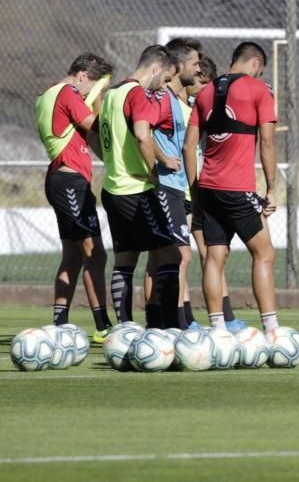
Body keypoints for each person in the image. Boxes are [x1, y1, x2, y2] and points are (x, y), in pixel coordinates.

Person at [183, 41, 281, 334]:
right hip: (238, 189)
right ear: (255, 64)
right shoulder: (259, 90)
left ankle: (218, 330)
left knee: (215, 256)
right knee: (264, 254)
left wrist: (196, 190)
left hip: (209, 187)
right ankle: (272, 330)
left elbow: (189, 146)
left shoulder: (206, 92)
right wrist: (271, 188)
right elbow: (266, 142)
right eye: (260, 71)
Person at [99, 45, 183, 328]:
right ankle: (169, 328)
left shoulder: (112, 94)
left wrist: (113, 163)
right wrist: (152, 174)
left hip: (113, 188)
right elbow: (142, 135)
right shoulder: (138, 94)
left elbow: (96, 137)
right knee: (171, 253)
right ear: (156, 67)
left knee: (125, 259)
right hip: (136, 189)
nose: (166, 84)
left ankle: (124, 329)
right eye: (167, 78)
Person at [35, 53, 115, 340]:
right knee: (95, 252)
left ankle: (60, 325)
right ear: (82, 75)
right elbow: (96, 124)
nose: (89, 94)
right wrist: (104, 104)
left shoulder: (49, 94)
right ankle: (103, 326)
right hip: (69, 181)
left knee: (73, 255)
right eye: (91, 85)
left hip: (65, 180)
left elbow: (86, 136)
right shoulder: (67, 92)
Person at [149, 38, 201, 330]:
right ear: (179, 65)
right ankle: (174, 325)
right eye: (194, 63)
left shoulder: (183, 101)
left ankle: (167, 323)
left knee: (169, 257)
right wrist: (161, 158)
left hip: (180, 188)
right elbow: (141, 129)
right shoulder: (163, 97)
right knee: (178, 255)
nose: (198, 68)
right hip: (166, 185)